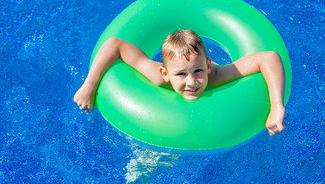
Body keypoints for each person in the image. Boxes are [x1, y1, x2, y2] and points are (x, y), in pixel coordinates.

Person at [74, 29, 286, 136]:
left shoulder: (216, 76)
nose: (192, 81)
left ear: (209, 65)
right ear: (165, 72)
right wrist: (89, 85)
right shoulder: (158, 77)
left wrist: (277, 106)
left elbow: (269, 58)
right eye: (181, 74)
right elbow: (115, 44)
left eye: (199, 70)